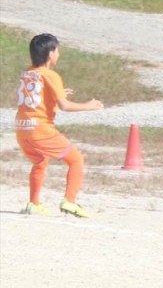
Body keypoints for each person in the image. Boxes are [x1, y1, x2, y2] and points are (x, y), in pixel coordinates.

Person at [14, 34, 104, 218]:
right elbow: (64, 106)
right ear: (50, 54)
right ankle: (69, 201)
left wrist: (57, 93)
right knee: (76, 160)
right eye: (57, 50)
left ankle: (33, 203)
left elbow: (36, 98)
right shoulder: (51, 75)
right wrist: (88, 106)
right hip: (40, 129)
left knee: (40, 161)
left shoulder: (26, 73)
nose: (58, 54)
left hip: (22, 129)